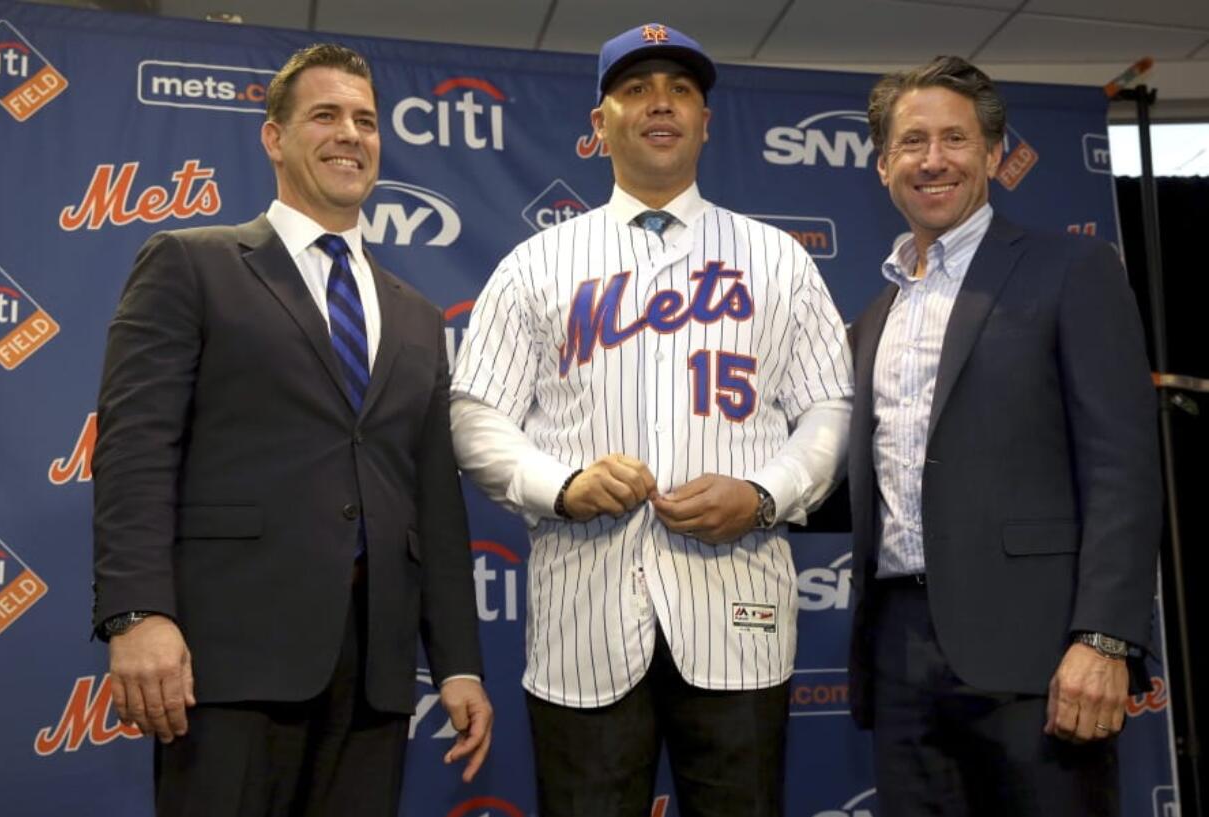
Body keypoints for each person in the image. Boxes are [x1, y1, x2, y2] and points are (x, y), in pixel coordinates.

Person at [450, 22, 853, 817]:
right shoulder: (535, 263)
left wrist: (765, 493)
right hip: (585, 617)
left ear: (705, 120)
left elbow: (827, 410)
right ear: (599, 126)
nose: (659, 104)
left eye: (680, 90)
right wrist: (560, 483)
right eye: (634, 89)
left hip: (738, 610)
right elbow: (475, 414)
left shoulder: (778, 259)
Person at [91, 43, 491, 817]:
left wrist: (459, 665)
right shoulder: (191, 262)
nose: (351, 134)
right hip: (226, 659)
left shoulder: (414, 312)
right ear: (274, 138)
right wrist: (138, 613)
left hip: (374, 674)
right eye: (326, 115)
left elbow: (433, 501)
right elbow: (135, 451)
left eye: (366, 120)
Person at [847, 55, 1162, 816]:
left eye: (954, 139)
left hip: (1041, 650)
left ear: (991, 155)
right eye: (911, 142)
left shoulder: (1072, 268)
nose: (933, 160)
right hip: (899, 653)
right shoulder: (872, 317)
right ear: (884, 162)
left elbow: (1123, 464)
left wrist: (1106, 638)